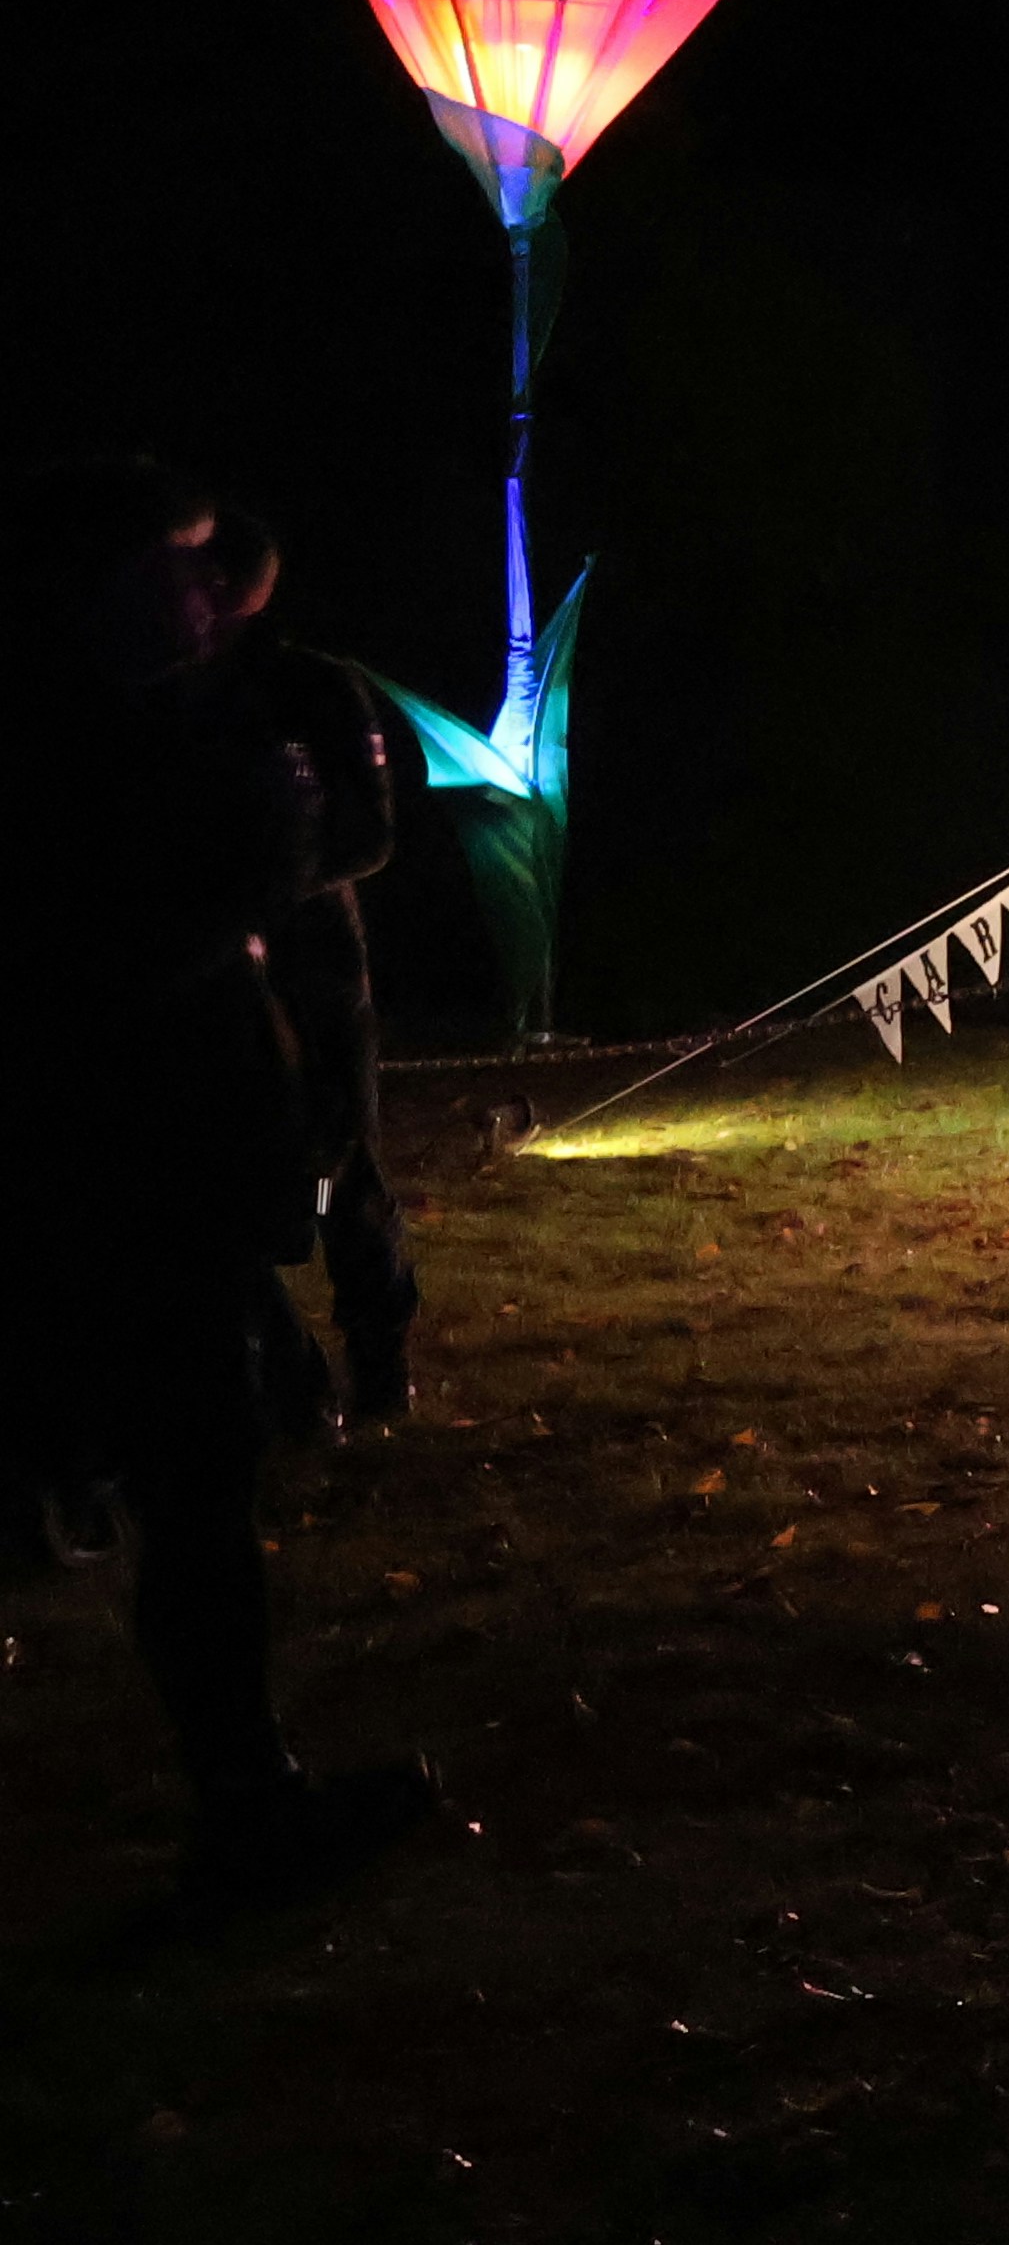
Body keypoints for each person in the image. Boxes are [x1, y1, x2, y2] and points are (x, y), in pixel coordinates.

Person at [0, 455, 454, 1903]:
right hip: (110, 1179)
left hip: (183, 1170)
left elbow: (324, 855)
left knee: (204, 1484)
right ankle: (245, 1813)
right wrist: (242, 851)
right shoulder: (72, 752)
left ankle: (246, 1792)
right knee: (172, 1479)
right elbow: (102, 962)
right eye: (180, 570)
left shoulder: (193, 724)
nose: (208, 599)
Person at [189, 504, 424, 1436]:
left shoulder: (315, 690)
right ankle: (290, 1381)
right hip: (206, 979)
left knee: (335, 1176)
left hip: (314, 981)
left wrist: (269, 890)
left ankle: (379, 1364)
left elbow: (369, 833)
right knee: (213, 1193)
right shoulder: (171, 696)